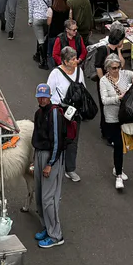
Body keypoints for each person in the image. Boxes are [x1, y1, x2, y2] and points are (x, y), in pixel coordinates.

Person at [32, 84, 73, 248]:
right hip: (39, 154)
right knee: (40, 195)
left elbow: (57, 141)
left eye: (44, 96)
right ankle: (46, 227)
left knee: (49, 198)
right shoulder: (38, 113)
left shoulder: (54, 113)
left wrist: (50, 164)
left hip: (51, 157)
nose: (42, 99)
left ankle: (56, 235)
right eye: (39, 96)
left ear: (49, 96)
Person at [98, 54, 133, 190]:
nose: (116, 70)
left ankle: (117, 168)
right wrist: (119, 98)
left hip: (125, 115)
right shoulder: (104, 81)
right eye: (113, 68)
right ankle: (118, 174)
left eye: (118, 67)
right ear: (107, 68)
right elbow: (104, 100)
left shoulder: (124, 74)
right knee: (118, 144)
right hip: (112, 117)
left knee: (122, 144)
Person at [47, 46, 84, 181]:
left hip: (75, 113)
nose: (76, 61)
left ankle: (70, 169)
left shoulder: (79, 71)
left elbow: (83, 90)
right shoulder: (55, 74)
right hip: (60, 111)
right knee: (57, 139)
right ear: (65, 61)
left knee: (73, 141)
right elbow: (49, 93)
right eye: (73, 59)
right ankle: (53, 165)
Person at [27, 0, 53, 66]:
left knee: (40, 39)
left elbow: (30, 9)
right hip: (46, 18)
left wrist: (30, 20)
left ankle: (43, 61)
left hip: (37, 19)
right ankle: (38, 55)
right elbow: (50, 5)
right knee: (43, 37)